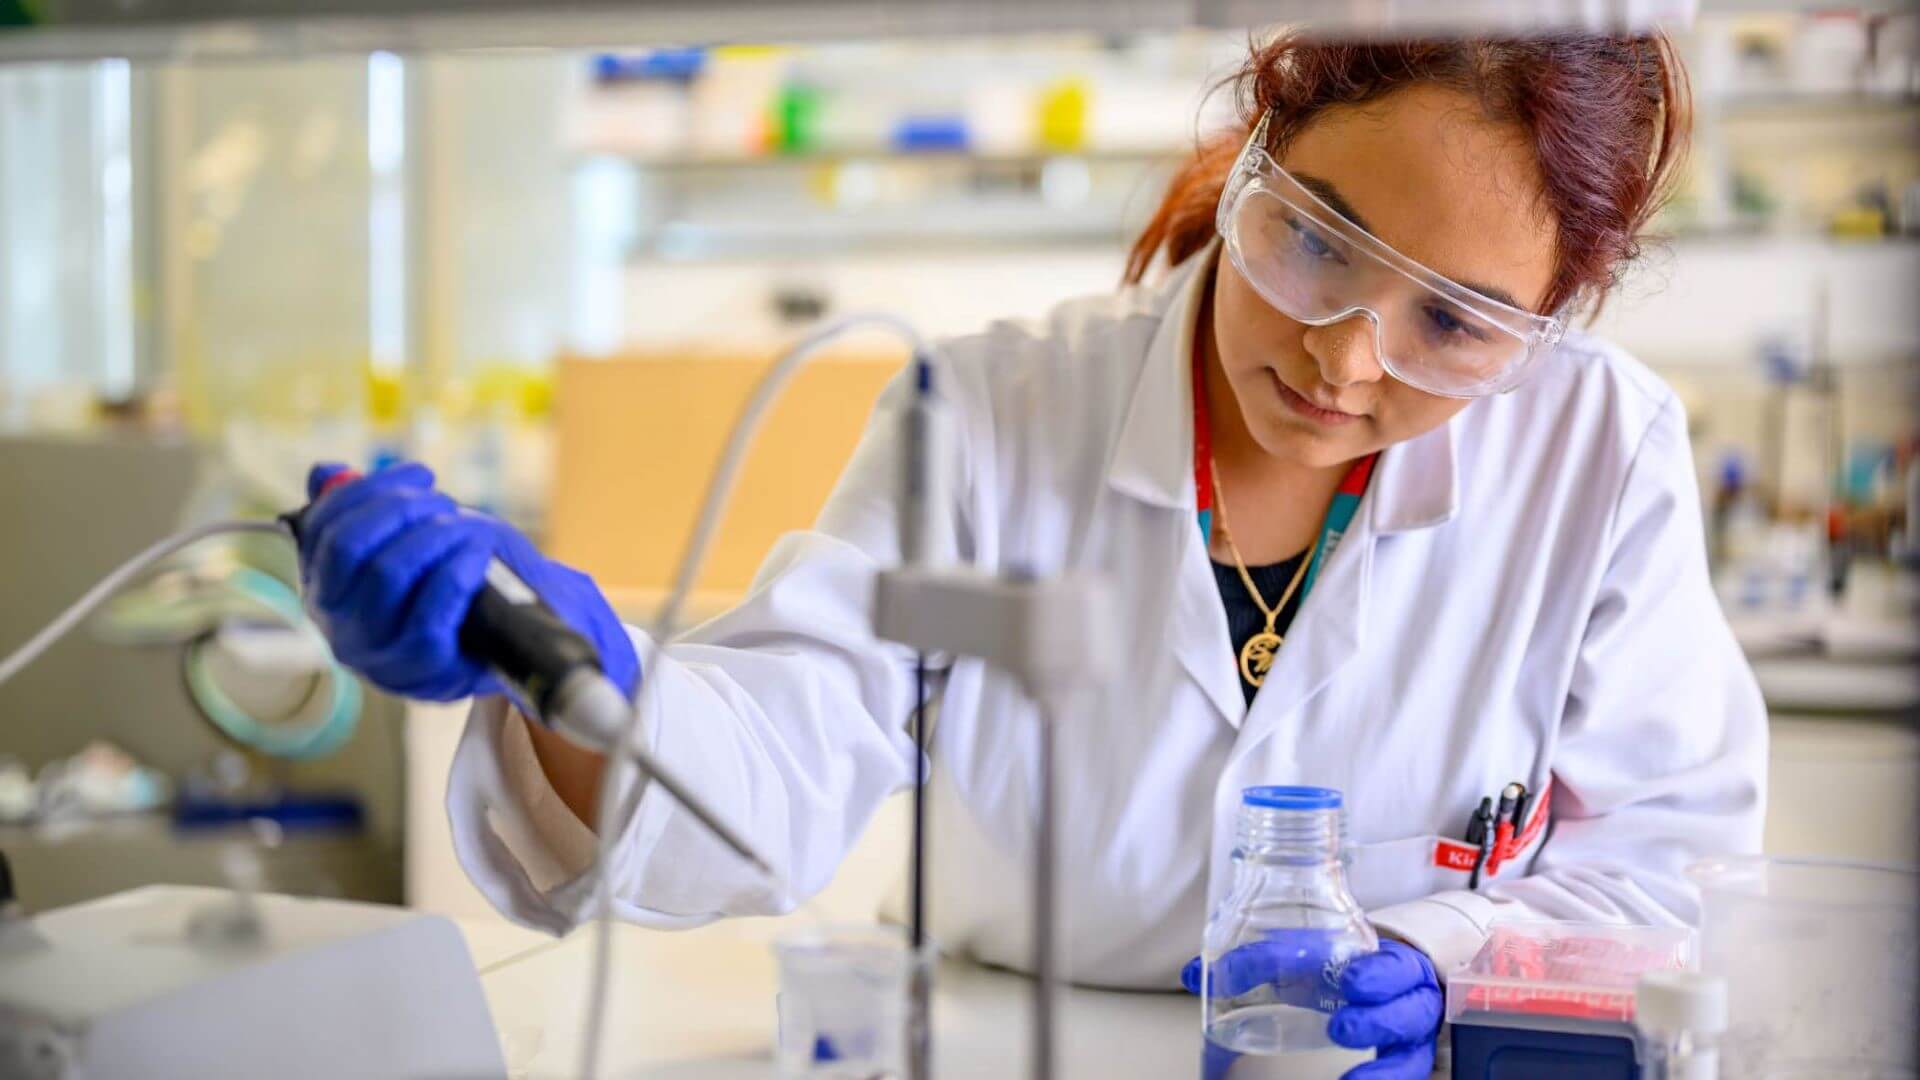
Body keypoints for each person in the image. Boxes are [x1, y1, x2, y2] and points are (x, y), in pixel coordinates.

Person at [296, 31, 1765, 1078]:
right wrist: (585, 683)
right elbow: (779, 760)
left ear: (1551, 323)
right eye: (1317, 240)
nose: (1346, 357)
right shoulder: (992, 412)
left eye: (1453, 324)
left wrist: (1441, 962)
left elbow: (1675, 879)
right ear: (1257, 158)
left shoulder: (1598, 454)